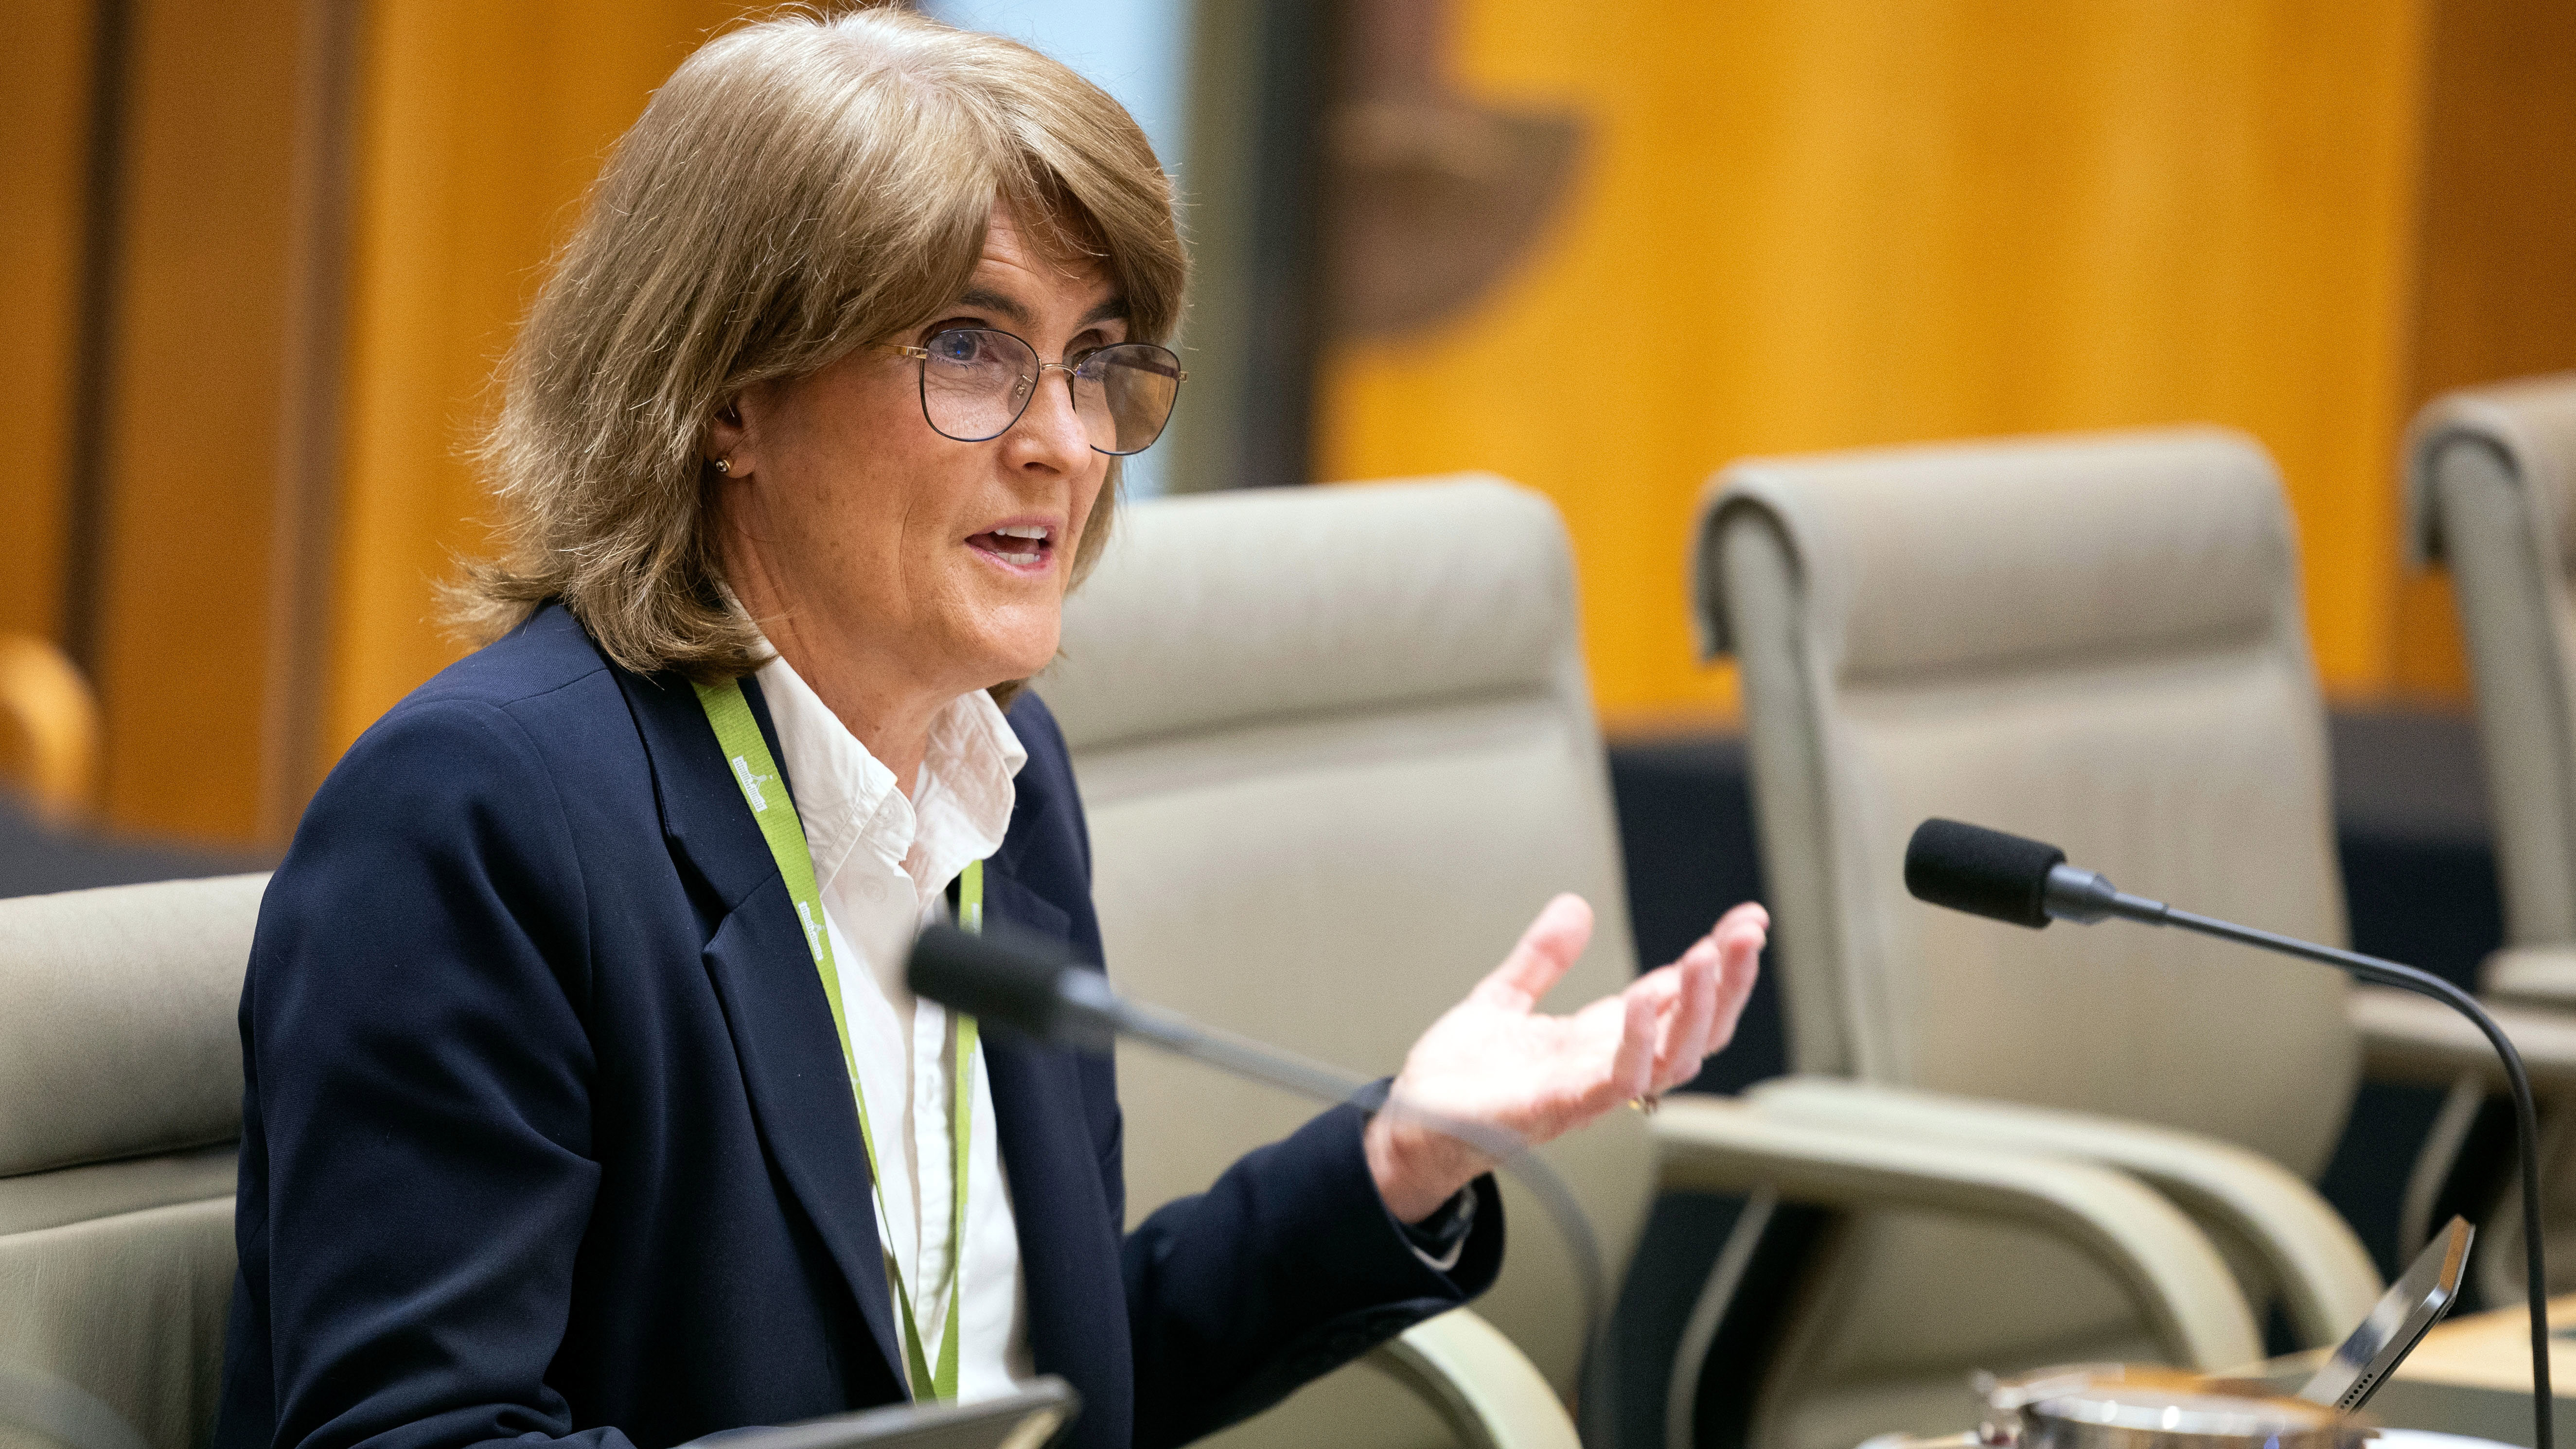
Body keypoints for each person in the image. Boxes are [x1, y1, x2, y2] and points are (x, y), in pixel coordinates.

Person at [216, 11, 1768, 1449]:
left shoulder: (1000, 793)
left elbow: (1049, 1382)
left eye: (1098, 359)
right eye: (970, 345)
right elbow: (416, 1437)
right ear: (728, 399)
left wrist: (1402, 1155)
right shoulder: (488, 815)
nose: (1064, 441)